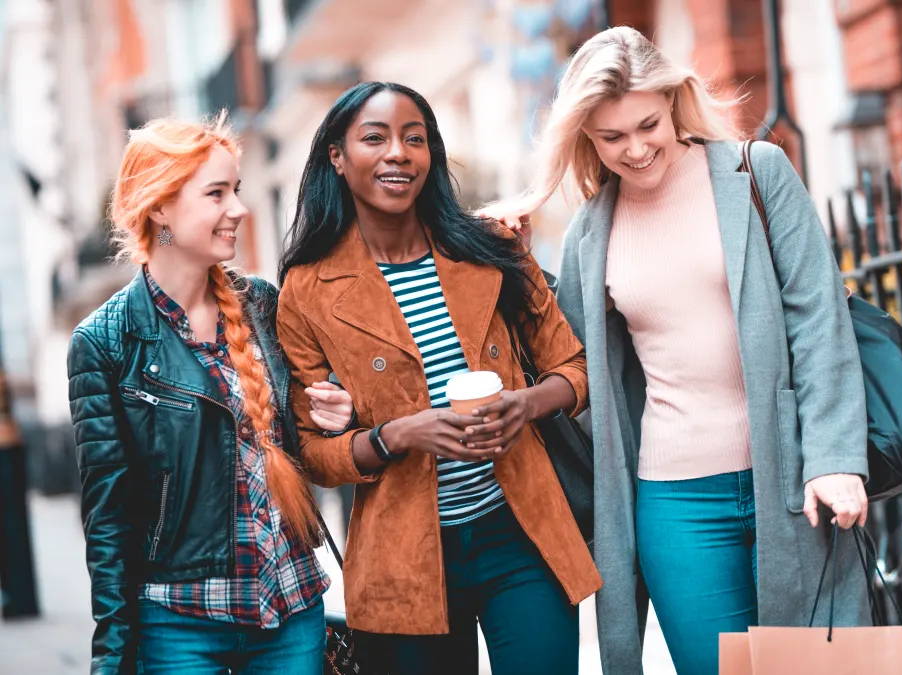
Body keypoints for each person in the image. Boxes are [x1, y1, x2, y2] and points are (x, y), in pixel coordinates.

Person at [481, 26, 872, 675]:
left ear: (672, 102)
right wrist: (518, 267)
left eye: (648, 125)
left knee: (818, 667)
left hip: (793, 481)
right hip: (676, 505)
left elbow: (818, 316)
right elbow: (571, 359)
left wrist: (834, 457)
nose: (635, 149)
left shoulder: (755, 173)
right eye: (612, 137)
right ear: (586, 137)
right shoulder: (589, 232)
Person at [274, 81, 601, 675]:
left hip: (521, 532)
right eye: (375, 138)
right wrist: (398, 435)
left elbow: (576, 367)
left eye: (414, 139)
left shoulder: (491, 247)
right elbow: (314, 454)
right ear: (338, 158)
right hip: (404, 559)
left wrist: (525, 405)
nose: (398, 153)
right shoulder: (307, 290)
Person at [67, 116, 354, 675]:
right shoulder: (104, 342)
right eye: (216, 193)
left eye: (236, 190)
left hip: (291, 606)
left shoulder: (262, 305)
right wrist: (113, 655)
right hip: (179, 622)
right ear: (160, 208)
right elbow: (108, 521)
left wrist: (335, 413)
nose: (239, 209)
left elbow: (305, 443)